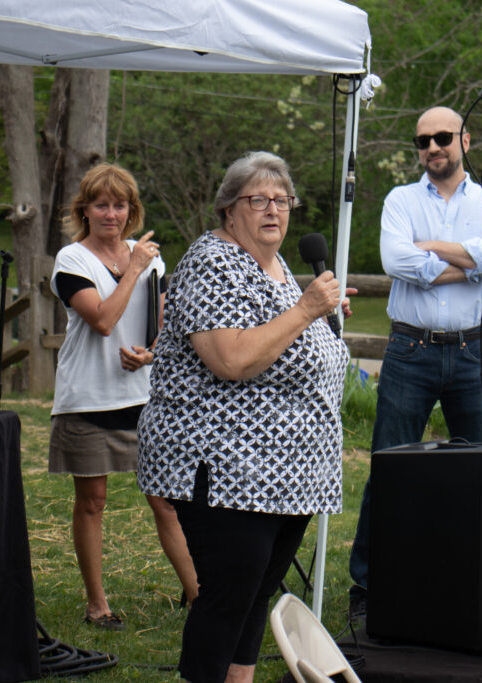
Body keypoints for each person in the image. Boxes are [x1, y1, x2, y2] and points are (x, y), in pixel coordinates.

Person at [137, 151, 354, 683]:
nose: (273, 210)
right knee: (228, 596)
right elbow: (231, 358)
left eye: (282, 200)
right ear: (230, 209)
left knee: (257, 594)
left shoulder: (279, 269)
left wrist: (313, 315)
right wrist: (304, 311)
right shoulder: (211, 261)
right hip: (227, 464)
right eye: (259, 200)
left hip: (290, 474)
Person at [347, 106, 482, 618]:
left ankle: (477, 583)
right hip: (411, 351)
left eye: (442, 137)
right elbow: (395, 260)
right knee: (389, 471)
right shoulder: (400, 199)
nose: (432, 148)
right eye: (423, 141)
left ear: (466, 140)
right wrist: (472, 261)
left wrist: (433, 254)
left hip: (473, 350)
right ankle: (368, 588)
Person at [49, 163, 198, 631]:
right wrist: (133, 268)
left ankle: (198, 594)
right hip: (88, 398)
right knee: (93, 500)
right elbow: (103, 320)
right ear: (85, 210)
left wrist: (149, 355)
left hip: (143, 397)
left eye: (120, 205)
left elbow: (162, 328)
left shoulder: (148, 258)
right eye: (101, 205)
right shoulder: (72, 260)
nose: (111, 214)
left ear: (131, 211)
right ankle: (97, 605)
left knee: (166, 499)